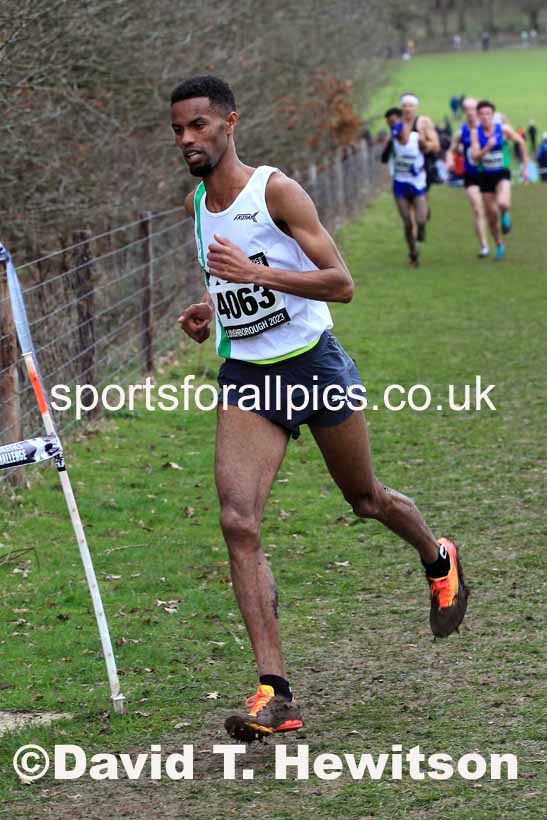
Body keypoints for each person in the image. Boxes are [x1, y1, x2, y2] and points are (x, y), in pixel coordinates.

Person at [172, 75, 468, 742]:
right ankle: (274, 693)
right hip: (248, 375)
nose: (187, 139)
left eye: (198, 126)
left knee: (365, 500)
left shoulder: (273, 189)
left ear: (228, 124)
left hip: (313, 365)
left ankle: (436, 556)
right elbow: (228, 277)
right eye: (178, 130)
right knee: (237, 520)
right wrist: (209, 306)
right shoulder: (197, 204)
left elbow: (340, 283)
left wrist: (257, 275)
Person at [471, 100, 529, 260]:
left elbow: (521, 142)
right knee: (490, 215)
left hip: (502, 172)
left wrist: (525, 167)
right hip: (485, 175)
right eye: (482, 114)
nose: (485, 117)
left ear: (493, 115)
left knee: (503, 203)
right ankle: (499, 245)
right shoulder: (475, 133)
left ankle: (505, 214)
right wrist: (487, 148)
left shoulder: (502, 129)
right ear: (478, 116)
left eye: (488, 114)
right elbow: (475, 158)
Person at [383, 105, 427, 267]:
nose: (393, 126)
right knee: (408, 223)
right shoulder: (392, 141)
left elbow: (429, 150)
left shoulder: (416, 138)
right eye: (390, 124)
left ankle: (421, 231)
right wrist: (389, 142)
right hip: (400, 184)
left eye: (394, 122)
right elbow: (383, 158)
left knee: (421, 220)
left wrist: (423, 164)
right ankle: (413, 254)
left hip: (417, 183)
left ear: (402, 121)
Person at [446, 97, 489, 257]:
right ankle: (484, 246)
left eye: (473, 109)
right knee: (478, 210)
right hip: (470, 176)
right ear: (464, 112)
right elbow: (451, 150)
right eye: (467, 109)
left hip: (488, 174)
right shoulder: (461, 132)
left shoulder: (487, 129)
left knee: (490, 211)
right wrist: (450, 159)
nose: (470, 113)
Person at [400, 92, 440, 226]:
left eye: (410, 106)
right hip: (404, 171)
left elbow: (436, 146)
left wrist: (424, 143)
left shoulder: (423, 123)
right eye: (404, 106)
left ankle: (423, 215)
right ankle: (414, 234)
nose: (407, 109)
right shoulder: (398, 124)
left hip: (423, 169)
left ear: (416, 107)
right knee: (409, 206)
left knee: (421, 202)